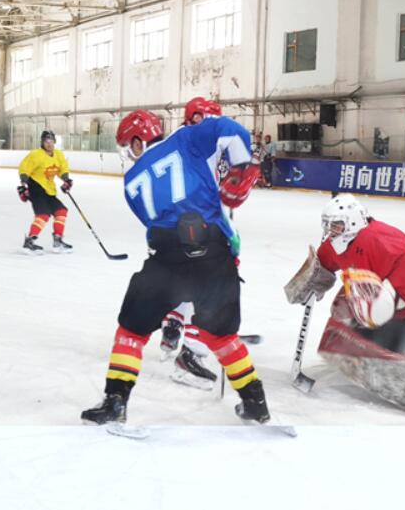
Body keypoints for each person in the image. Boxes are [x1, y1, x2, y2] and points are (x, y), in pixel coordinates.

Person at [81, 109, 268, 428]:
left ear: (139, 141)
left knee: (132, 331)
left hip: (166, 256)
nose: (128, 152)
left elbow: (151, 222)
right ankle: (255, 402)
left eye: (128, 144)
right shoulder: (187, 137)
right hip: (213, 251)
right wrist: (242, 163)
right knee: (221, 335)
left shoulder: (130, 182)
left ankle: (115, 401)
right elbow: (231, 129)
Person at [284, 194, 405, 418]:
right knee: (338, 338)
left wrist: (390, 296)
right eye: (329, 225)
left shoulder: (378, 239)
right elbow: (323, 263)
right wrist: (307, 283)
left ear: (354, 222)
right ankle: (366, 352)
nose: (331, 230)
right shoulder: (337, 243)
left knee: (363, 351)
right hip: (392, 309)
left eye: (337, 224)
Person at [159, 96, 232, 390]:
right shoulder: (191, 146)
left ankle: (174, 323)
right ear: (195, 120)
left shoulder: (195, 144)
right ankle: (190, 354)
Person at [16, 130, 73, 254]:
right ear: (42, 142)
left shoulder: (58, 155)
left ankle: (58, 240)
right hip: (35, 188)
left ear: (54, 142)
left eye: (51, 141)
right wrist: (23, 186)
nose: (49, 144)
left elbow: (62, 169)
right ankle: (29, 241)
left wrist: (66, 180)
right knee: (43, 214)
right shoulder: (36, 155)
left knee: (61, 211)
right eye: (46, 141)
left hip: (49, 190)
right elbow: (24, 168)